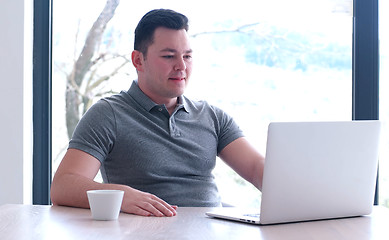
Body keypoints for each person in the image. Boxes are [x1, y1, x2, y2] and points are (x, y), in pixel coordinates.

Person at [50, 9, 264, 217]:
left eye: (187, 56)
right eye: (169, 56)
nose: (181, 66)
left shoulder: (213, 117)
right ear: (137, 60)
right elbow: (63, 186)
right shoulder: (108, 114)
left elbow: (257, 169)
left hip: (212, 231)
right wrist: (122, 196)